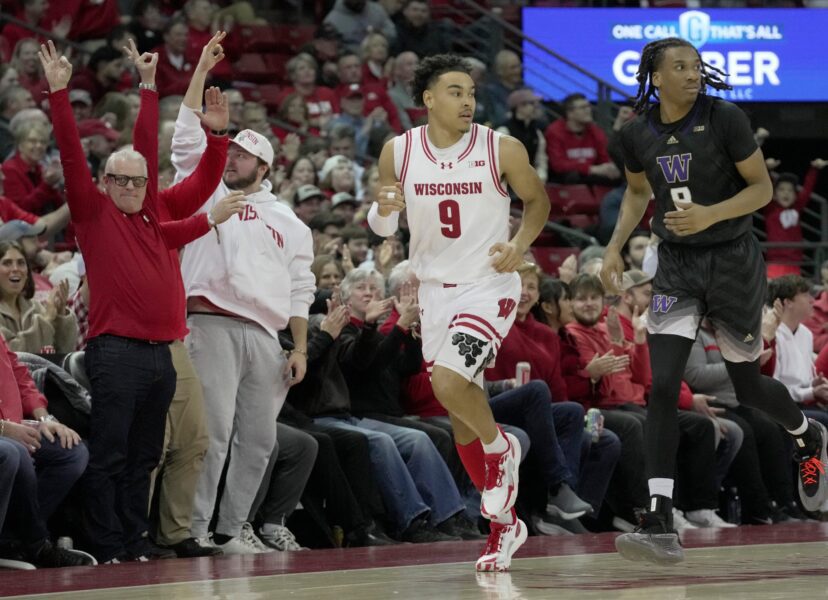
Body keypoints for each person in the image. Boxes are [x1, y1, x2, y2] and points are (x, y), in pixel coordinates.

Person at [600, 37, 827, 565]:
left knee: (746, 384)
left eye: (696, 66)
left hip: (732, 262)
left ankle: (804, 433)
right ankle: (659, 516)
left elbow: (762, 190)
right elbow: (638, 192)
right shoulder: (636, 133)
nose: (692, 73)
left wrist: (709, 214)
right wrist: (613, 247)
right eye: (679, 66)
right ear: (654, 76)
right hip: (676, 265)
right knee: (661, 386)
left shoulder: (724, 117)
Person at [41, 38, 240, 563]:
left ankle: (134, 542)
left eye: (138, 180)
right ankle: (104, 544)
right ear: (104, 183)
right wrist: (61, 94)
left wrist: (216, 136)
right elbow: (72, 151)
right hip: (117, 352)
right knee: (110, 454)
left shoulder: (154, 214)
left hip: (161, 354)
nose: (131, 186)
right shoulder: (92, 211)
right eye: (121, 180)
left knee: (146, 455)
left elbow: (195, 181)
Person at [368, 54, 550, 571]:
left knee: (449, 384)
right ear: (427, 98)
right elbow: (382, 228)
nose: (467, 100)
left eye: (470, 91)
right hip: (433, 291)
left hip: (488, 284)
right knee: (459, 414)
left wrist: (520, 244)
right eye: (454, 91)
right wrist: (384, 207)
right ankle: (504, 526)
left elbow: (538, 201)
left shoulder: (501, 146)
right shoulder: (397, 151)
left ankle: (503, 451)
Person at [171, 34, 316, 556]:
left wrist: (298, 347)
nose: (232, 159)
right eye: (230, 150)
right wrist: (201, 71)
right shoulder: (207, 186)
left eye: (243, 155)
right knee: (210, 433)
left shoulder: (290, 221)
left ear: (266, 168)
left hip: (266, 335)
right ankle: (194, 528)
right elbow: (184, 141)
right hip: (210, 321)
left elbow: (303, 287)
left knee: (258, 442)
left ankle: (233, 530)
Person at [0, 240, 78, 354]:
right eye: (7, 263)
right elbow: (11, 353)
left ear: (27, 273)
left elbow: (62, 352)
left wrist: (60, 315)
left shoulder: (35, 307)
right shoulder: (43, 315)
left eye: (21, 263)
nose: (15, 268)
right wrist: (46, 319)